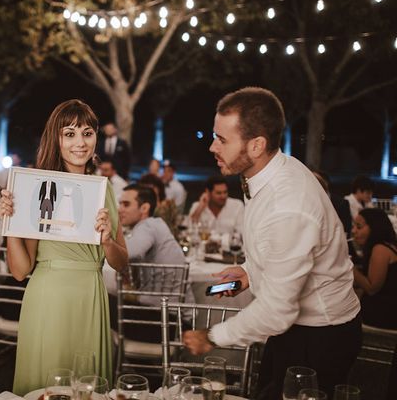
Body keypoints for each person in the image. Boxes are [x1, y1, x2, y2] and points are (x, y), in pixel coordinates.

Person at [182, 87, 361, 400]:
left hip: (319, 336)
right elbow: (282, 251)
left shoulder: (287, 203)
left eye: (222, 139)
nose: (212, 146)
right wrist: (251, 272)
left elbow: (277, 309)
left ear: (256, 145)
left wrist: (212, 336)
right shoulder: (273, 170)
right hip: (292, 328)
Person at [0, 99, 128, 394]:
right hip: (48, 299)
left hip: (91, 298)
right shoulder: (34, 185)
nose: (79, 143)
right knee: (46, 387)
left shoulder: (104, 189)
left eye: (87, 133)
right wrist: (10, 225)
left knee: (87, 386)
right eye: (69, 134)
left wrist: (107, 240)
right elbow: (20, 271)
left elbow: (121, 262)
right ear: (56, 139)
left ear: (96, 138)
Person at [117, 184, 185, 304]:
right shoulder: (155, 224)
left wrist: (109, 236)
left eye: (126, 204)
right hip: (169, 308)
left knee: (104, 299)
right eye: (120, 204)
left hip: (165, 311)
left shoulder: (148, 226)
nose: (119, 209)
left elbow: (130, 252)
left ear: (144, 208)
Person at [351, 208, 397, 329]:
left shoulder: (380, 249)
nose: (353, 231)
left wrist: (348, 266)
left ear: (374, 228)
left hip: (384, 313)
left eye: (359, 227)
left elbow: (372, 288)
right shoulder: (386, 245)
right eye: (354, 226)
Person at [138, 173, 179, 237]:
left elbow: (166, 223)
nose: (149, 190)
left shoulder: (168, 204)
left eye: (153, 187)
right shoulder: (142, 205)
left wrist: (156, 199)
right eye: (146, 187)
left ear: (159, 188)